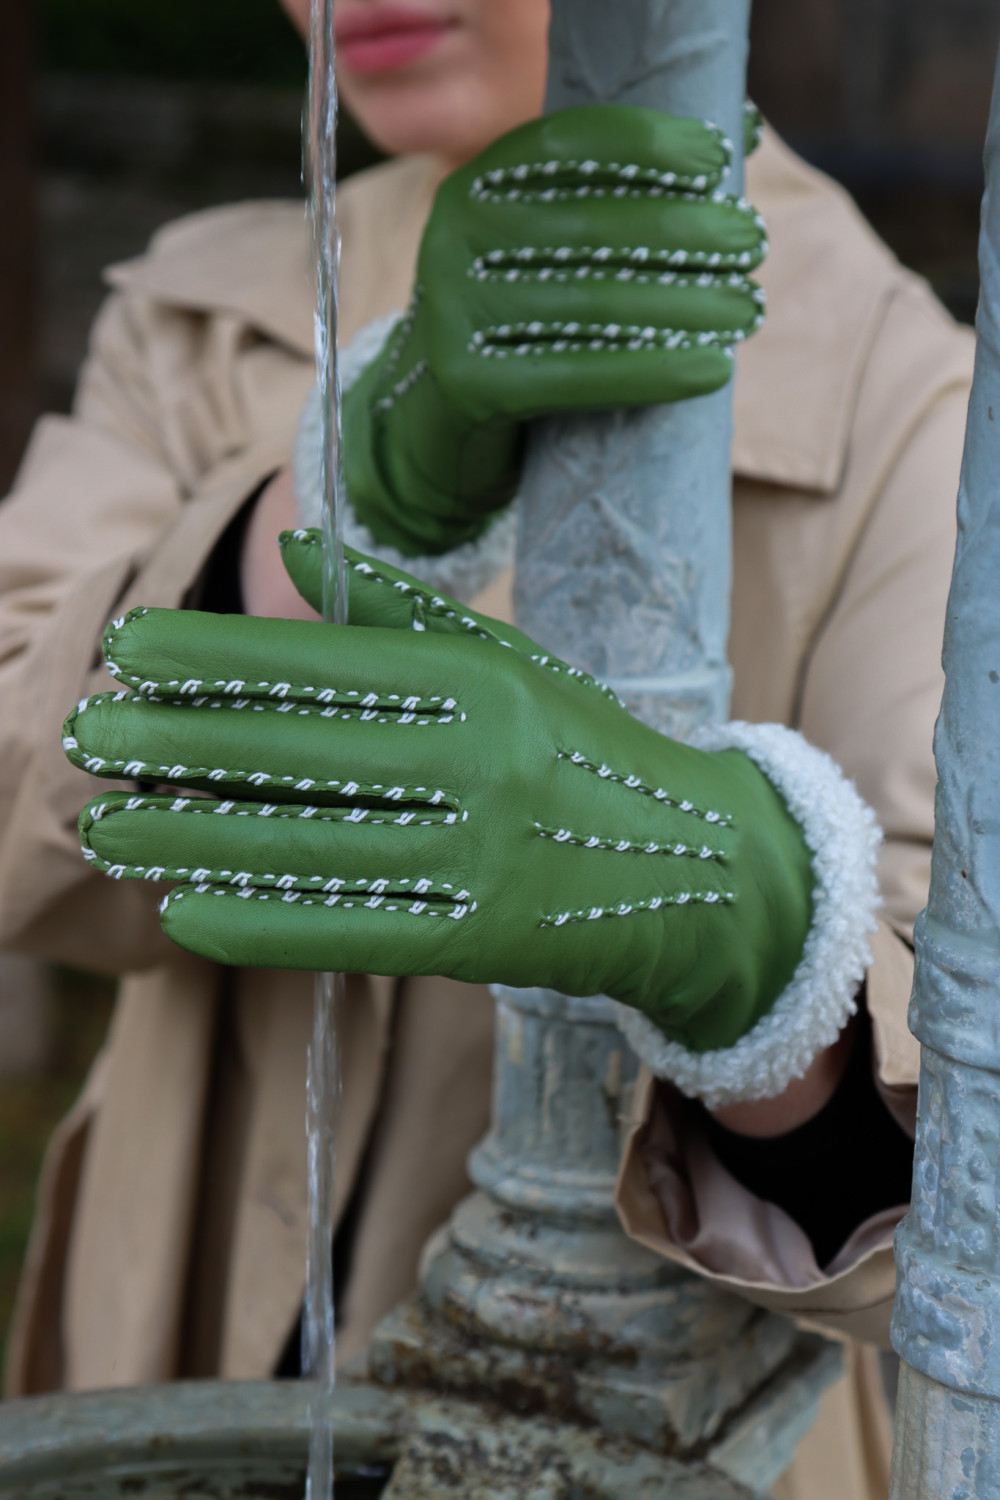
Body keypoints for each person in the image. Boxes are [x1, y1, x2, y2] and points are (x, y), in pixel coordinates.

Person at [0, 2, 973, 1495]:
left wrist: (769, 953)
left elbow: (953, 1238)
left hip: (662, 1441)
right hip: (169, 1346)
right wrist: (344, 501)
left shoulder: (923, 411)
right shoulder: (202, 306)